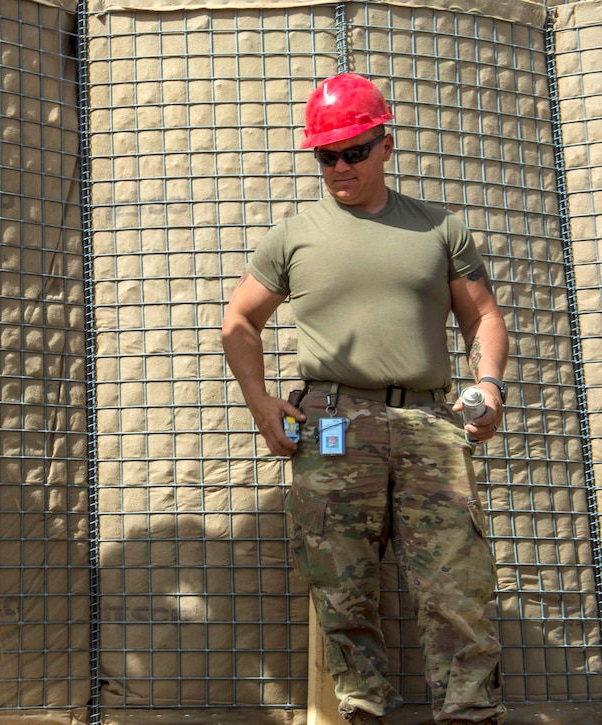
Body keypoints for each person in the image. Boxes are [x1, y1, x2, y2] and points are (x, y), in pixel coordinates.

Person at [220, 73, 508, 725]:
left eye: (355, 150)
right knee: (339, 573)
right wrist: (261, 402)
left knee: (456, 576)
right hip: (331, 423)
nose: (340, 166)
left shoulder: (439, 230)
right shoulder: (293, 237)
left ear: (386, 144)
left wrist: (488, 381)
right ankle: (363, 705)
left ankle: (470, 709)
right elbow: (239, 321)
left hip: (430, 420)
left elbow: (483, 315)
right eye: (326, 155)